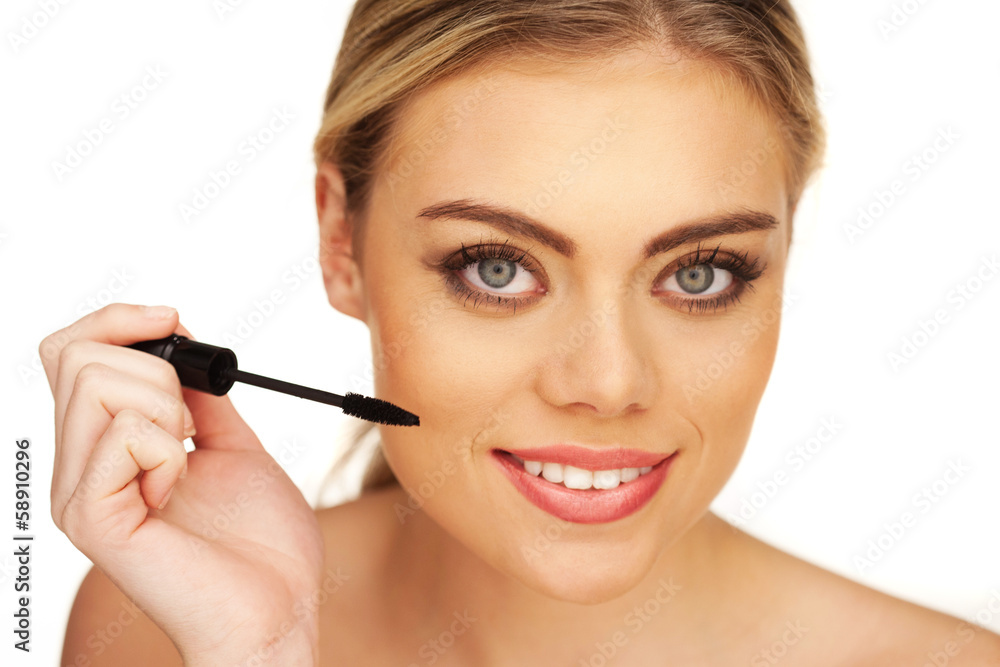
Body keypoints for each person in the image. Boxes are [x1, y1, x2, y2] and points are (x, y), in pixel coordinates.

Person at [41, 0, 1000, 664]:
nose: (610, 380)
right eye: (496, 268)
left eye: (699, 273)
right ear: (341, 238)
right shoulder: (158, 623)